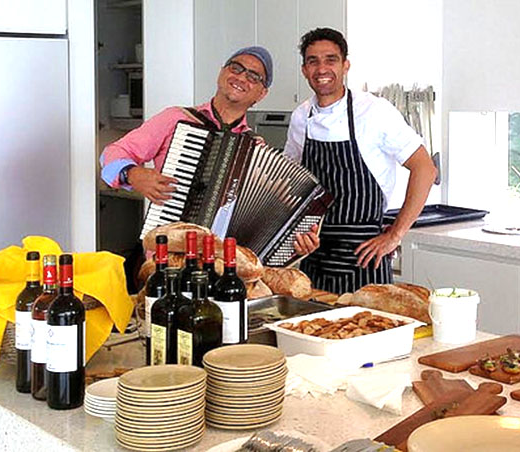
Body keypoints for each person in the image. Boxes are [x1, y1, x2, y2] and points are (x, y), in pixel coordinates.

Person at [285, 28, 437, 294]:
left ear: (345, 65)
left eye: (330, 59)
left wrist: (395, 235)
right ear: (304, 70)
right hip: (314, 259)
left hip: (365, 258)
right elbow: (290, 181)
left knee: (365, 329)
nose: (322, 68)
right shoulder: (301, 117)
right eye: (313, 61)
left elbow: (425, 168)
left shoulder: (374, 112)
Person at [100, 46, 273, 204]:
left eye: (253, 76)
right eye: (236, 68)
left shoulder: (255, 146)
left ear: (262, 94)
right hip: (171, 234)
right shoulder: (174, 118)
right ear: (221, 72)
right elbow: (110, 154)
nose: (242, 77)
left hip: (225, 238)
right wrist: (131, 174)